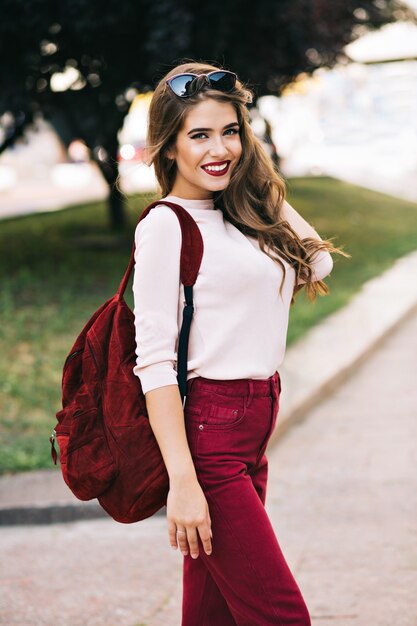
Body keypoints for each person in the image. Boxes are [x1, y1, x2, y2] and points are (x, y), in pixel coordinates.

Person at [131, 61, 348, 626]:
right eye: (198, 135)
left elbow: (315, 260)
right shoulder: (167, 226)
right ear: (169, 145)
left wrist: (254, 179)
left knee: (212, 614)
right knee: (280, 614)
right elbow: (152, 363)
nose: (217, 148)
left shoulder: (239, 215)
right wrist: (183, 481)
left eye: (230, 131)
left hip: (254, 425)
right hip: (213, 439)